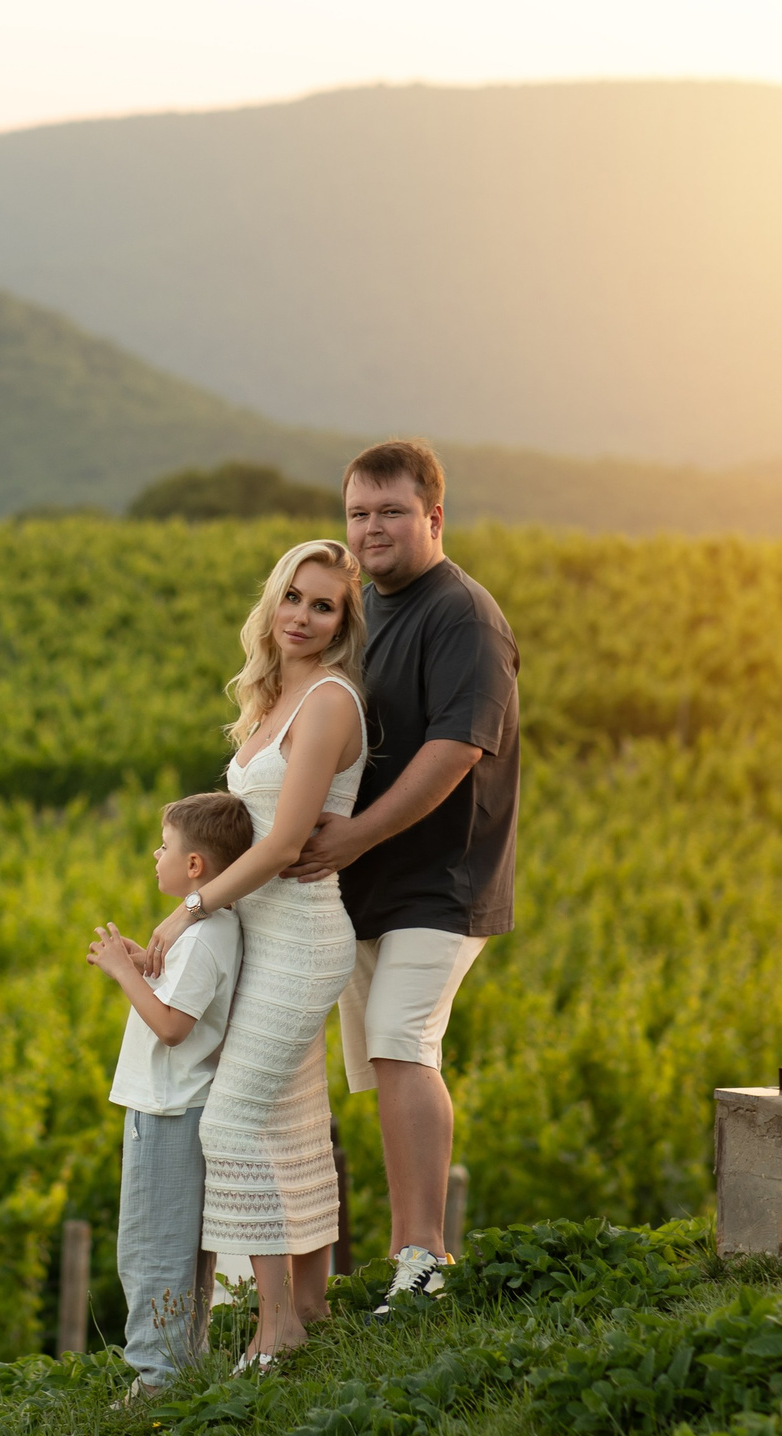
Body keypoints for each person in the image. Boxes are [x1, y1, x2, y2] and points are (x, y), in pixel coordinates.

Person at [282, 440, 518, 1309]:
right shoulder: (364, 613)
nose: (370, 528)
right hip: (366, 887)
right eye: (357, 512)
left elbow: (454, 751)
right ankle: (399, 1260)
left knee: (400, 1040)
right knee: (379, 1065)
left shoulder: (464, 616)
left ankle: (424, 1257)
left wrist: (352, 838)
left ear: (434, 517)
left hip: (441, 881)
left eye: (389, 511)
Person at [144, 539, 368, 1370]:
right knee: (290, 1122)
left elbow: (278, 846)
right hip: (262, 939)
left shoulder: (331, 702)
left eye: (324, 606)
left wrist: (187, 911)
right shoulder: (275, 695)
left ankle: (275, 1329)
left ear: (344, 622)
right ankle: (306, 1309)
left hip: (303, 937)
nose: (303, 617)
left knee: (232, 1123)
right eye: (294, 598)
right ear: (273, 602)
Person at [84, 792, 252, 1399]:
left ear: (195, 867)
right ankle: (178, 1368)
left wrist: (125, 975)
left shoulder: (206, 934)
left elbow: (174, 1028)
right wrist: (146, 964)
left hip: (167, 1106)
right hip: (173, 1104)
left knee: (152, 1249)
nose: (156, 854)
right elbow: (183, 1002)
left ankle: (157, 1382)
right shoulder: (208, 928)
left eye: (165, 845)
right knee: (173, 1248)